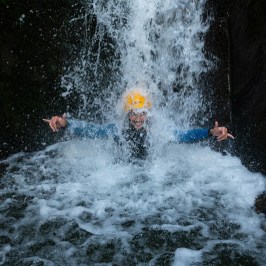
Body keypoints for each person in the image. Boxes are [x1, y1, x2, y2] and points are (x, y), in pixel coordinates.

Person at [43, 89, 234, 159]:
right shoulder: (117, 130)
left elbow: (184, 136)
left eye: (142, 113)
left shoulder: (158, 131)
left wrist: (210, 132)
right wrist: (65, 124)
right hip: (125, 174)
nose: (137, 119)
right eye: (133, 114)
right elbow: (92, 131)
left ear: (148, 114)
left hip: (148, 177)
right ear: (127, 115)